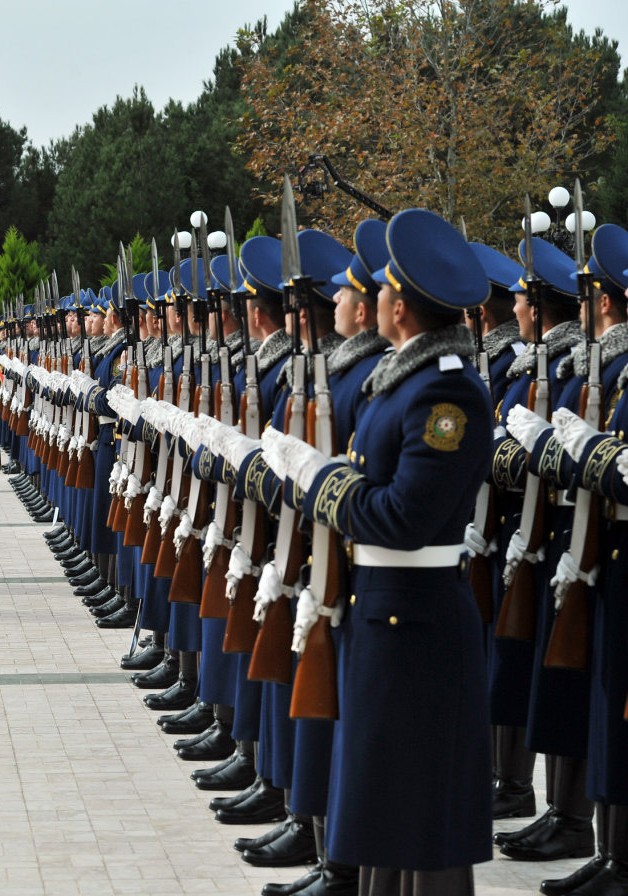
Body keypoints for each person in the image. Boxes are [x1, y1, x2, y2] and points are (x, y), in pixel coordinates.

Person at [265, 208, 493, 895]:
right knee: (386, 807)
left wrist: (320, 481)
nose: (375, 300)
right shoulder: (403, 382)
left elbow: (401, 517)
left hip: (417, 623)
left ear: (399, 309)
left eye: (386, 291)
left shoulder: (447, 396)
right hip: (386, 616)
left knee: (424, 816)